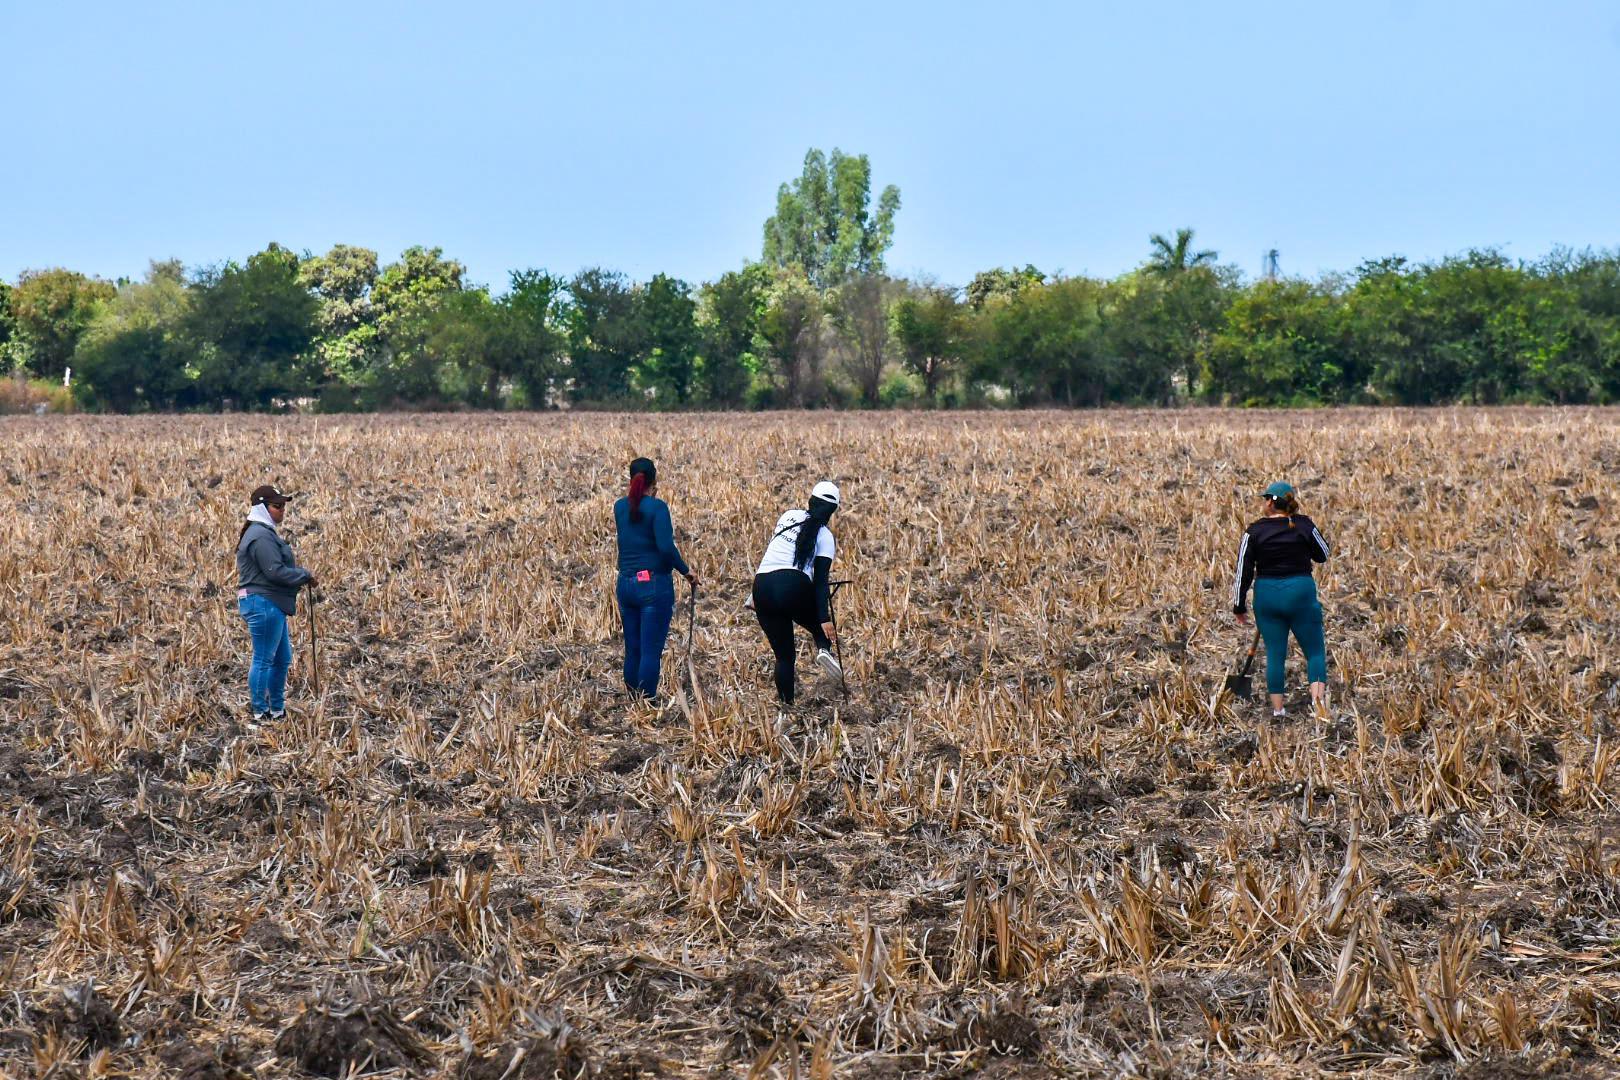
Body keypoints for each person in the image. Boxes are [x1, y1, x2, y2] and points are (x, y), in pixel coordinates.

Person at [1231, 481, 1330, 718]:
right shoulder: (1303, 524)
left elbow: (1242, 570)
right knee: (1315, 651)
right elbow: (1323, 554)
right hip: (1300, 593)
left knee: (1275, 653)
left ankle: (1278, 711)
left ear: (1269, 502)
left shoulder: (1254, 531)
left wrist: (1239, 604)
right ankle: (1319, 708)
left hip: (1267, 596)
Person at [752, 481, 844, 705]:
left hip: (761, 587)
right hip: (791, 585)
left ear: (811, 500)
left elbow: (773, 553)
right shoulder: (825, 536)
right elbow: (821, 581)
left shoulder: (787, 516)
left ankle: (787, 707)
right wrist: (824, 619)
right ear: (832, 512)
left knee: (784, 657)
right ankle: (824, 650)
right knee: (818, 628)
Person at [614, 458, 698, 701]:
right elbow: (665, 548)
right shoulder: (658, 508)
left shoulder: (619, 507)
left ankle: (632, 701)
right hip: (652, 585)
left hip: (625, 583)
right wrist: (686, 571)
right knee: (651, 651)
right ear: (654, 481)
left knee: (634, 649)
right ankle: (647, 702)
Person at [236, 485, 316, 724]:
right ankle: (259, 713)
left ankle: (277, 710)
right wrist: (303, 575)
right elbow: (274, 572)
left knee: (281, 659)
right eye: (277, 506)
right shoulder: (260, 536)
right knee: (263, 659)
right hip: (263, 603)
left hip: (271, 604)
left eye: (283, 506)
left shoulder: (264, 532)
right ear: (262, 508)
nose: (282, 510)